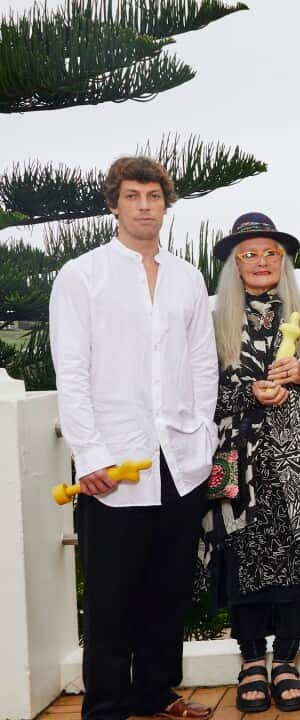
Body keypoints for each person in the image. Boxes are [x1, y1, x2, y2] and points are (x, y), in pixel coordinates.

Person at [49, 156, 217, 720]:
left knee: (168, 586)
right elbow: (69, 373)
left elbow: (201, 368)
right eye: (132, 196)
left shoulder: (188, 277)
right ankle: (105, 707)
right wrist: (89, 454)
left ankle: (157, 693)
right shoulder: (82, 275)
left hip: (180, 458)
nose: (144, 206)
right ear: (113, 204)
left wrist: (202, 438)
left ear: (165, 204)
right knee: (111, 595)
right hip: (113, 463)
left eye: (153, 196)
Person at [198, 213, 300, 712]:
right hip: (237, 460)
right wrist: (247, 391)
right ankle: (251, 659)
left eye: (271, 253)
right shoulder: (214, 321)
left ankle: (286, 658)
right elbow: (197, 395)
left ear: (285, 261)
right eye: (249, 254)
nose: (261, 262)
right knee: (241, 555)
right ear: (234, 266)